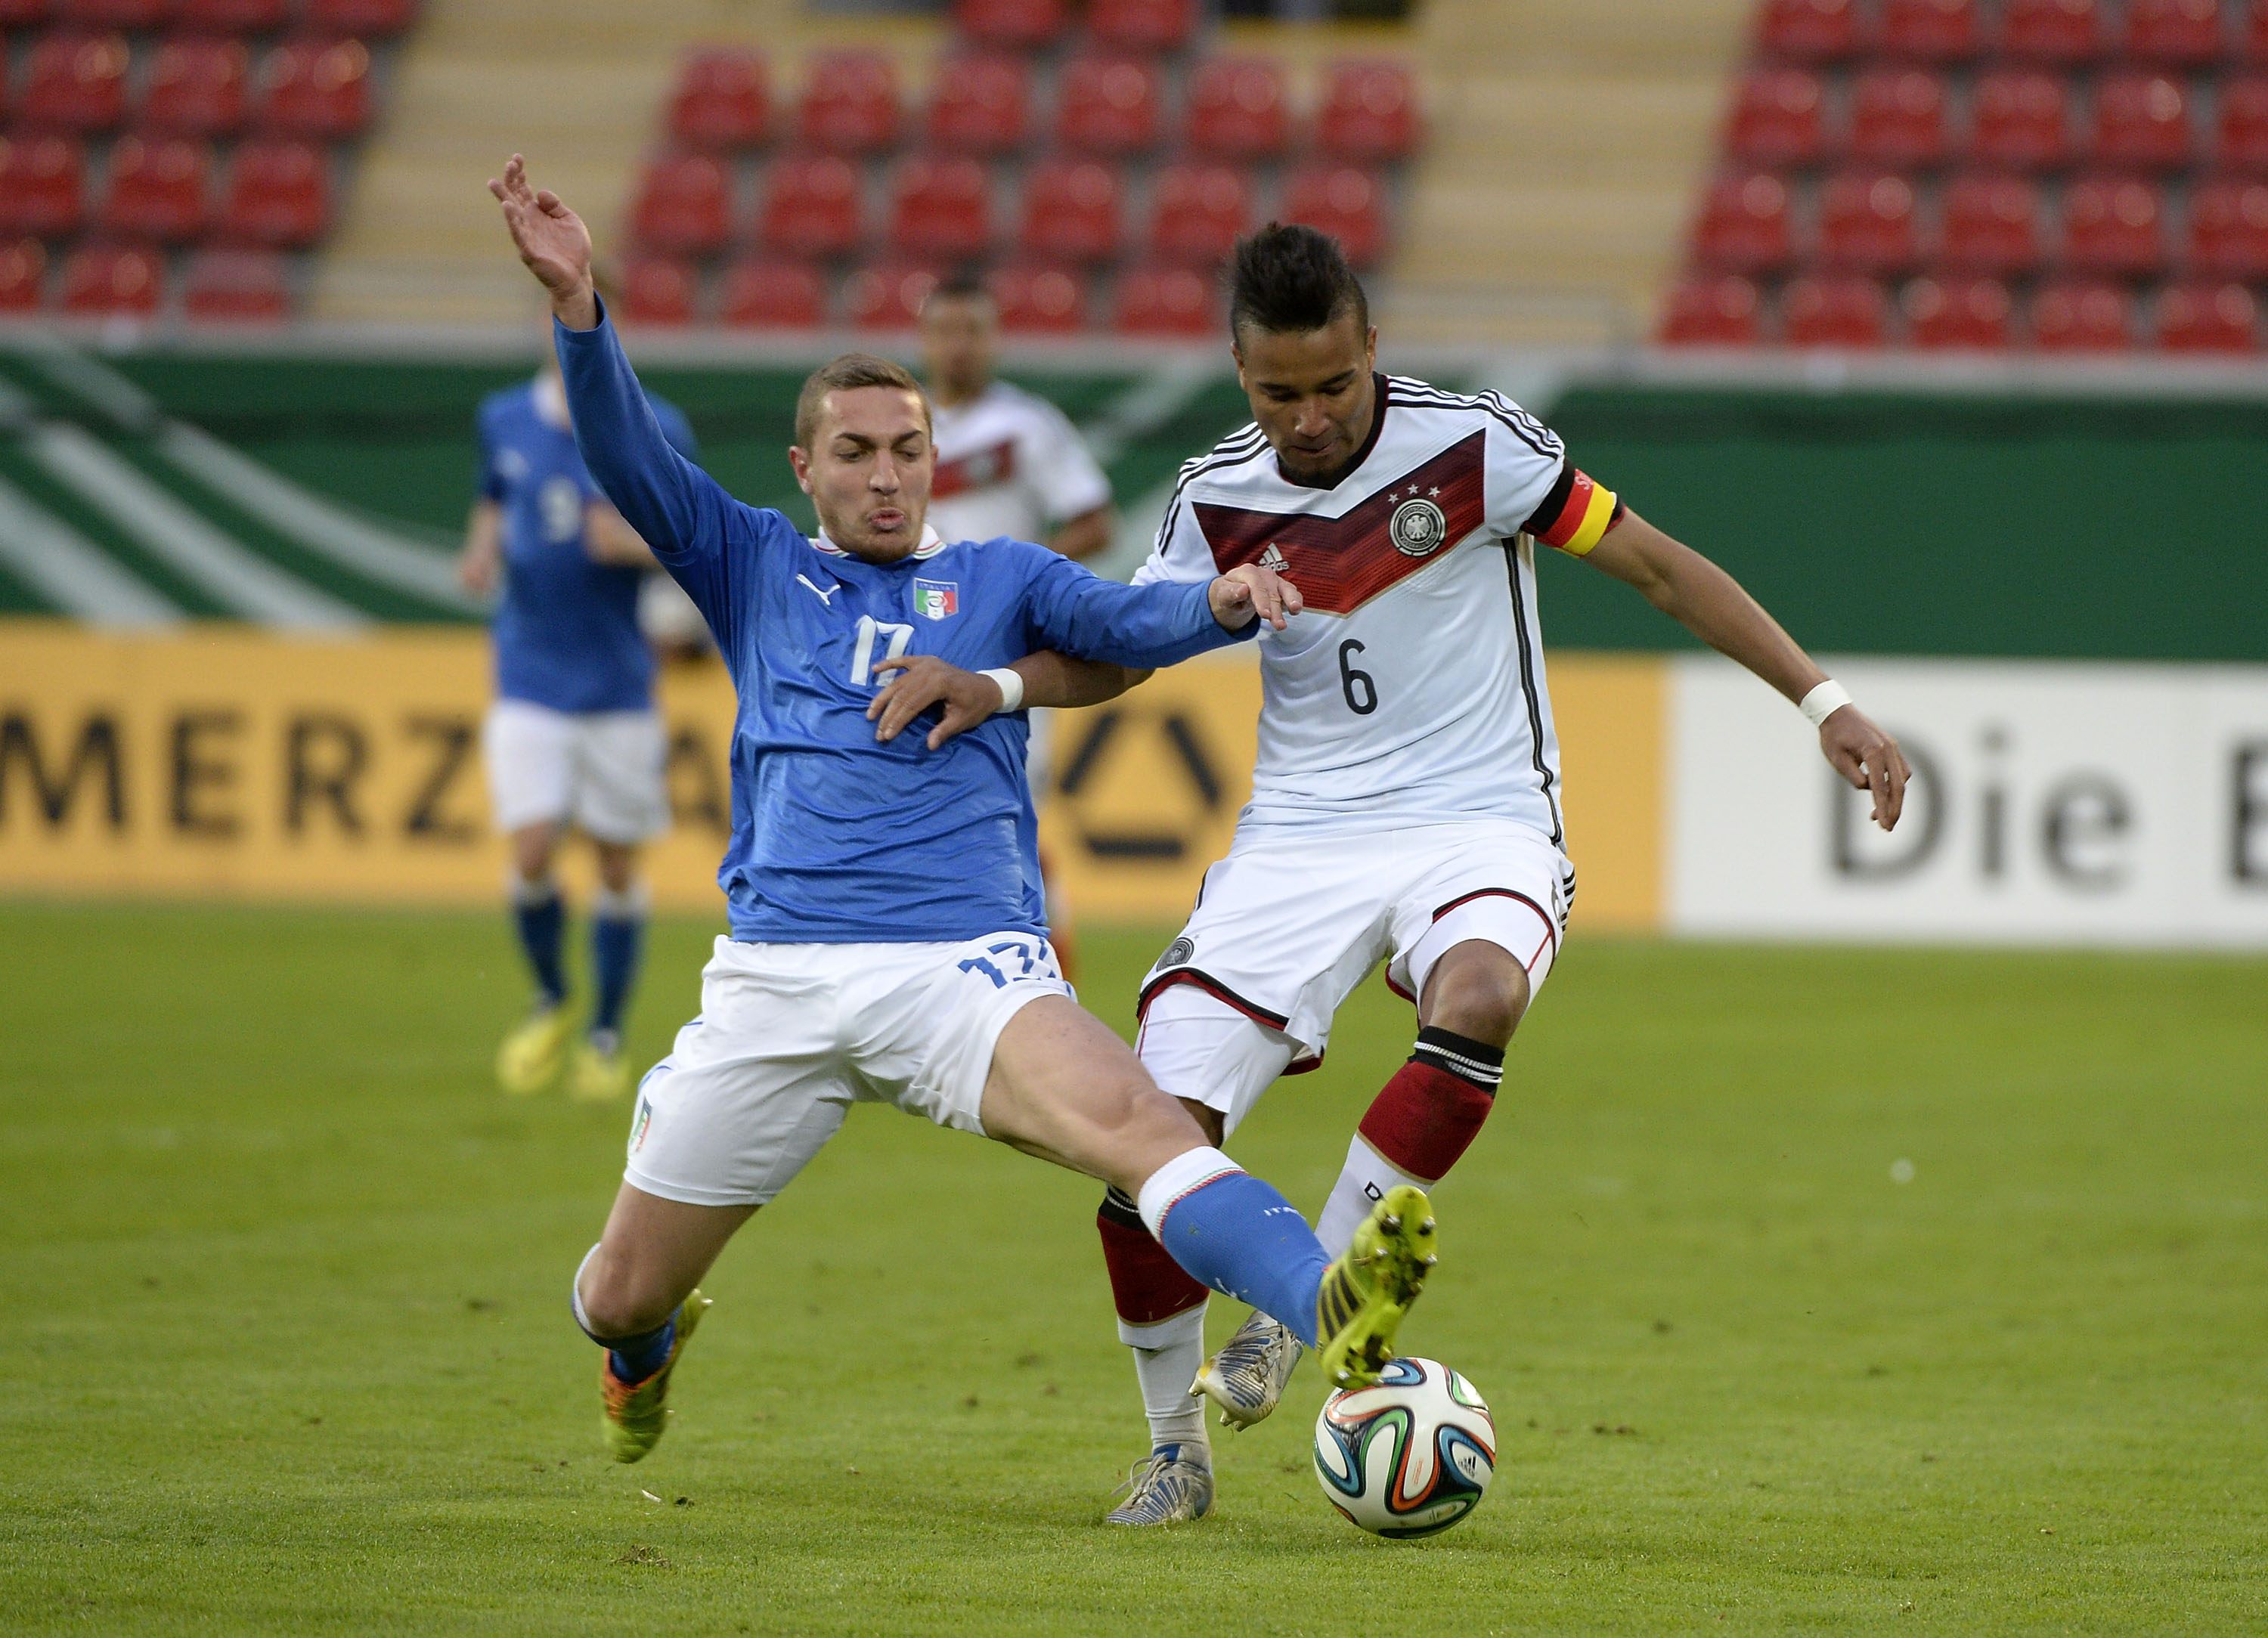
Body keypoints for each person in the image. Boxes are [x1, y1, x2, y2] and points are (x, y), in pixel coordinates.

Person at [870, 222, 1912, 1525]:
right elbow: (1128, 646)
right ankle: (1173, 1447)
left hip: (1478, 818)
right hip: (1298, 841)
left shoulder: (1480, 448)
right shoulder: (1216, 494)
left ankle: (1299, 1313)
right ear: (1240, 372)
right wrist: (1003, 683)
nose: (1307, 419)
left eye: (1331, 385)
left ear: (1372, 348)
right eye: (1277, 392)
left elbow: (1655, 566)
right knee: (1153, 1144)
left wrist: (1826, 703)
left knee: (1476, 995)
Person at [488, 157, 1443, 1481]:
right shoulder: (750, 561)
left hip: (964, 968)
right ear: (805, 466)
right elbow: (627, 454)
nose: (888, 478)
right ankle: (640, 1353)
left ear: (937, 458)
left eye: (909, 451)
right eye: (857, 453)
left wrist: (1217, 604)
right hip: (778, 979)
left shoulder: (997, 575)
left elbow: (1123, 620)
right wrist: (581, 303)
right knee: (616, 1291)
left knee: (1143, 1122)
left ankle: (1323, 1305)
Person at [457, 330, 699, 1103]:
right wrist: (481, 551)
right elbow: (494, 496)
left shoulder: (652, 423)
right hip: (528, 672)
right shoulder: (504, 416)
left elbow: (697, 542)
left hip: (620, 681)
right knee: (532, 847)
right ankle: (552, 997)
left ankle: (606, 1033)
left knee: (618, 864)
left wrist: (631, 546)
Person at [919, 271, 1118, 974]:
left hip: (1010, 658)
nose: (959, 347)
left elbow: (1094, 519)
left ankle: (1046, 965)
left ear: (994, 339)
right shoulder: (904, 429)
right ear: (925, 338)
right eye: (946, 331)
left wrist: (1016, 579)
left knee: (1008, 814)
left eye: (972, 330)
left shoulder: (1027, 425)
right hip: (918, 655)